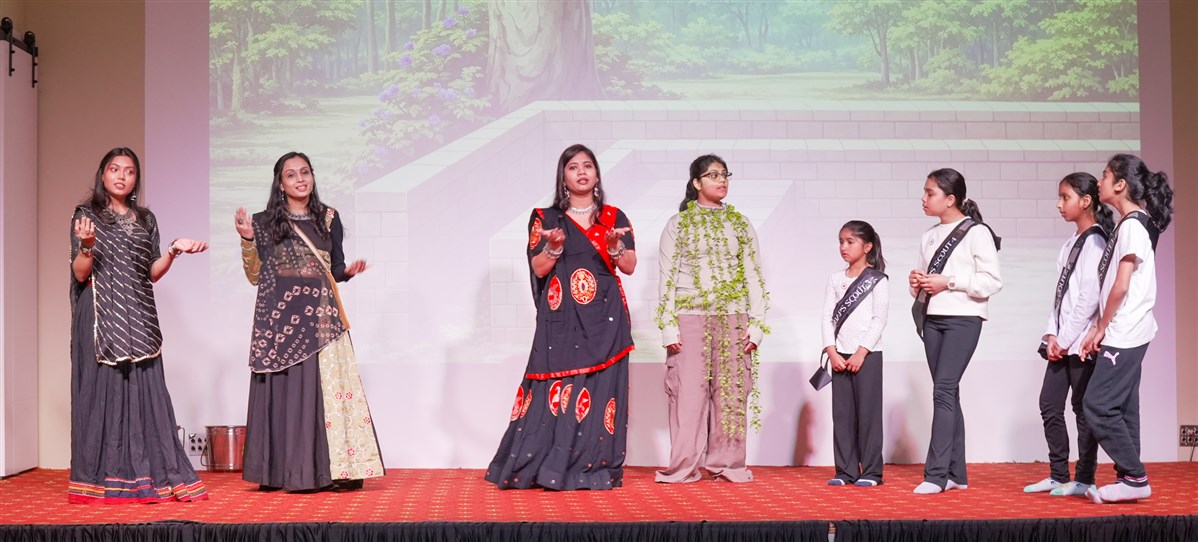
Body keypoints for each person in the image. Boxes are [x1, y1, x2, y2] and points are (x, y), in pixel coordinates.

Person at [485, 144, 637, 490]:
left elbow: (628, 266)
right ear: (563, 177)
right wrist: (553, 246)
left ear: (596, 174)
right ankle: (546, 466)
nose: (581, 172)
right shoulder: (546, 218)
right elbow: (540, 268)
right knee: (556, 390)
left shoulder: (614, 217)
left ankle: (593, 467)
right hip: (562, 320)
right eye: (573, 167)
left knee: (601, 392)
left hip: (605, 319)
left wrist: (614, 246)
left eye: (588, 166)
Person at [235, 151, 383, 492]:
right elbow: (255, 275)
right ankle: (280, 472)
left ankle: (330, 470)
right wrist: (247, 239)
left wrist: (348, 271)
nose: (300, 179)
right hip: (281, 321)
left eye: (305, 172)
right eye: (291, 175)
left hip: (321, 320)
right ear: (280, 184)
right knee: (287, 394)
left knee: (325, 394)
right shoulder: (263, 223)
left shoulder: (329, 218)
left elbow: (335, 270)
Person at [68, 147, 209, 503]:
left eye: (129, 171)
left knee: (146, 394)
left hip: (139, 314)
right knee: (104, 394)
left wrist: (173, 251)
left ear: (136, 179)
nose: (121, 176)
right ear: (102, 175)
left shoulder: (146, 219)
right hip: (101, 316)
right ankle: (103, 477)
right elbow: (80, 273)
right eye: (114, 169)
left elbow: (151, 273)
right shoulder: (87, 216)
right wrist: (86, 246)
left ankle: (150, 473)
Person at [654, 154, 768, 484]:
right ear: (696, 183)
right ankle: (683, 466)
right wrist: (668, 326)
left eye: (725, 175)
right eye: (713, 175)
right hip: (690, 318)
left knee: (731, 396)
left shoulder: (740, 224)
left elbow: (754, 275)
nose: (721, 181)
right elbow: (667, 277)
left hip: (733, 317)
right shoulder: (678, 224)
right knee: (688, 397)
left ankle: (728, 465)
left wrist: (757, 325)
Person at [1080, 154, 1174, 504]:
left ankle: (1135, 477)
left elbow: (1120, 286)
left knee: (1097, 405)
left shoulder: (1133, 225)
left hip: (1126, 329)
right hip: (1130, 328)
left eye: (1105, 176)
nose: (1099, 182)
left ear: (1120, 184)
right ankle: (1129, 480)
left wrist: (1100, 328)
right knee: (1123, 407)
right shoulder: (1132, 223)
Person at [909, 168, 1002, 495]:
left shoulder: (978, 233)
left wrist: (948, 282)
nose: (923, 198)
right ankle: (956, 474)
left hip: (963, 319)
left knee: (943, 390)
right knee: (948, 392)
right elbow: (925, 287)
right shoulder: (928, 236)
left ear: (950, 199)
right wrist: (917, 283)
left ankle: (935, 475)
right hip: (932, 319)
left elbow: (992, 282)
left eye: (930, 193)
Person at [1023, 173, 1112, 497]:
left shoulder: (1097, 241)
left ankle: (1085, 478)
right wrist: (1051, 335)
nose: (1060, 204)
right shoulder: (1070, 243)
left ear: (1086, 201)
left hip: (1082, 342)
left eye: (1065, 197)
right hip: (1061, 342)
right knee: (1049, 404)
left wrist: (1065, 339)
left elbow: (1089, 299)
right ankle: (1058, 474)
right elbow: (1060, 298)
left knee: (1082, 410)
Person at [822, 220, 888, 487]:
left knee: (868, 415)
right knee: (842, 416)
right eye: (841, 241)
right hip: (839, 356)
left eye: (850, 242)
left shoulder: (877, 280)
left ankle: (871, 472)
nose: (844, 247)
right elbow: (827, 318)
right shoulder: (835, 279)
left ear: (867, 246)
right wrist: (831, 350)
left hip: (867, 356)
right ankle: (845, 471)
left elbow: (879, 319)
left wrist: (861, 352)